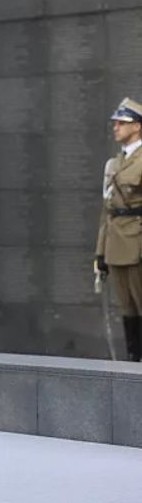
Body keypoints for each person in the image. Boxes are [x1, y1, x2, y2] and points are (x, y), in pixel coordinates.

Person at [95, 97, 142, 362]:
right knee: (127, 309)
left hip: (138, 244)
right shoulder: (114, 164)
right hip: (116, 245)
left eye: (122, 123)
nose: (115, 127)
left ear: (137, 126)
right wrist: (100, 253)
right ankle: (134, 360)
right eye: (115, 122)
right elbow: (107, 212)